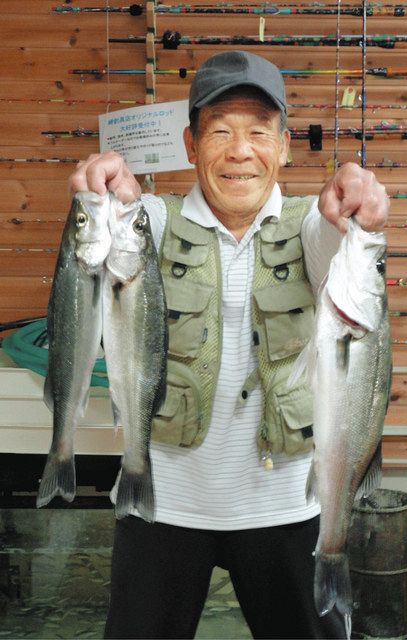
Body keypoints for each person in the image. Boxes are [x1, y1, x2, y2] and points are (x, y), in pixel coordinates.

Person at [69, 51, 389, 640]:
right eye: (220, 131)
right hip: (159, 509)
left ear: (286, 146)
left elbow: (339, 235)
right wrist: (104, 193)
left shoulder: (312, 229)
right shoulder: (154, 225)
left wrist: (361, 204)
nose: (240, 151)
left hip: (287, 513)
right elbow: (112, 239)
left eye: (259, 132)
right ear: (191, 146)